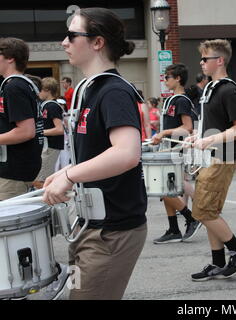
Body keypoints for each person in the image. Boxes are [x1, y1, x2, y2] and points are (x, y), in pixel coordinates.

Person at [42, 7, 147, 300]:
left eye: (71, 35)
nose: (64, 42)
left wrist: (70, 174)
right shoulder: (90, 90)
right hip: (92, 227)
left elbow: (127, 153)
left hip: (111, 232)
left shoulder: (113, 91)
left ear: (97, 42)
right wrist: (64, 173)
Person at [186, 39, 236, 281]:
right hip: (209, 157)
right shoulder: (211, 88)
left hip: (221, 158)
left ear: (220, 61)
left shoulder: (228, 89)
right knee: (208, 211)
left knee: (202, 212)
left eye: (206, 59)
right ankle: (217, 263)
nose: (201, 63)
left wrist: (210, 141)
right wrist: (198, 136)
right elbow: (215, 124)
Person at [151, 63, 201, 243]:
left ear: (178, 78)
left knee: (166, 189)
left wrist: (164, 133)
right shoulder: (172, 99)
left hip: (177, 149)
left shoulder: (182, 100)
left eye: (168, 77)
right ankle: (174, 228)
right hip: (168, 148)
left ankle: (193, 216)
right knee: (166, 190)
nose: (165, 80)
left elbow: (188, 127)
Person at [0, 37, 43, 200]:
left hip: (13, 172)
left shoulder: (14, 87)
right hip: (19, 168)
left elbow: (26, 131)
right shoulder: (21, 84)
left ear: (10, 58)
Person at [33, 77, 65, 189]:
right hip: (46, 145)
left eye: (40, 90)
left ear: (47, 90)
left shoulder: (52, 106)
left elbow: (59, 129)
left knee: (41, 179)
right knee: (41, 177)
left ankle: (47, 202)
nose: (38, 93)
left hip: (51, 146)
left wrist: (39, 132)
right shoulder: (46, 105)